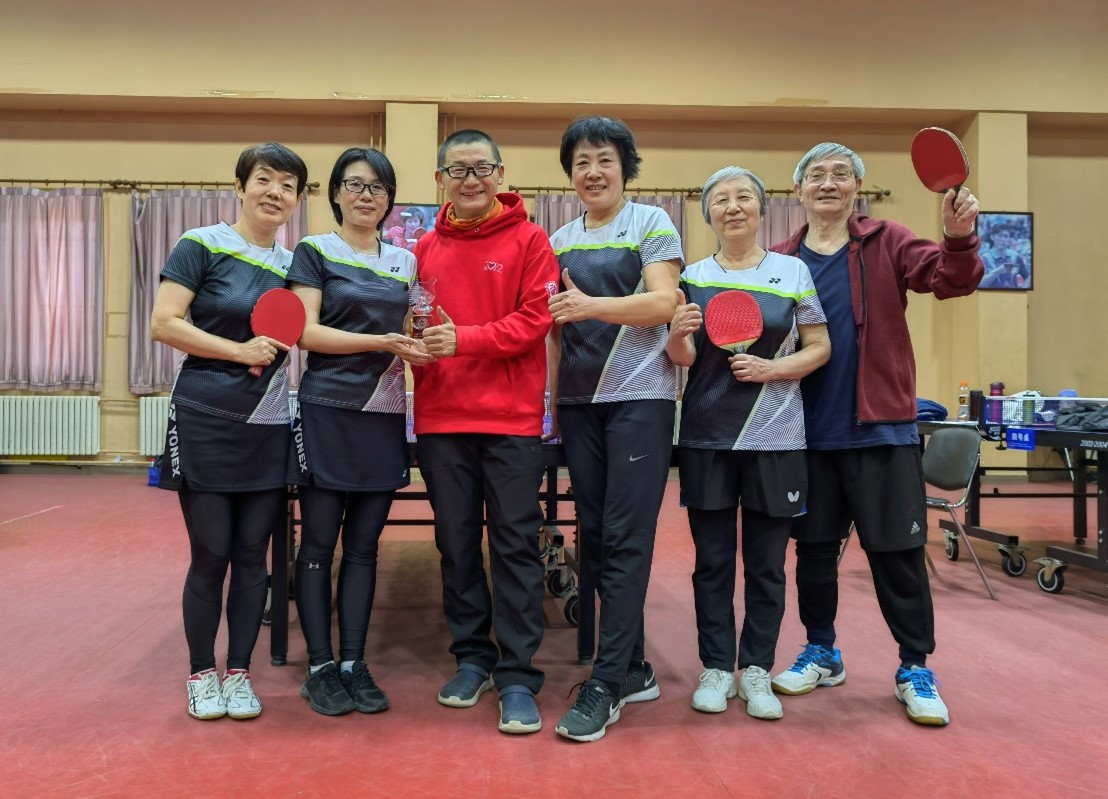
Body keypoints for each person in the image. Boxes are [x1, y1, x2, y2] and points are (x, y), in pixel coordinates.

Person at [768, 142, 982, 726]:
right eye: (816, 175)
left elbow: (950, 279)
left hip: (881, 432)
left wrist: (958, 237)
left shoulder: (888, 241)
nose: (828, 183)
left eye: (841, 174)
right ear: (799, 190)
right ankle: (821, 650)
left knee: (898, 556)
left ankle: (915, 666)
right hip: (805, 438)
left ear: (857, 188)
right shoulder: (781, 260)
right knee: (813, 554)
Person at [150, 142, 308, 721]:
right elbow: (164, 322)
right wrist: (238, 350)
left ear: (297, 199)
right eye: (264, 179)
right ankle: (201, 673)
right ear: (240, 187)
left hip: (268, 421)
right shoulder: (202, 244)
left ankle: (239, 672)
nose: (275, 192)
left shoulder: (296, 265)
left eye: (288, 185)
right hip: (205, 416)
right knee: (211, 553)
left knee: (252, 556)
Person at [666, 166, 830, 720]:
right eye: (720, 199)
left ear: (761, 209)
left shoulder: (793, 272)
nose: (732, 207)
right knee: (712, 562)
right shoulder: (691, 276)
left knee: (766, 565)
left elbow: (819, 346)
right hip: (707, 436)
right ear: (708, 213)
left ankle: (756, 667)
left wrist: (773, 369)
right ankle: (716, 666)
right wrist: (677, 335)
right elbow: (684, 359)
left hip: (777, 437)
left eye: (743, 198)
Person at [411, 129, 559, 734]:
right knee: (455, 543)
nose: (470, 180)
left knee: (515, 546)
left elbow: (535, 320)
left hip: (510, 420)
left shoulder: (531, 239)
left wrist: (463, 340)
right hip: (441, 417)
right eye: (458, 170)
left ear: (500, 174)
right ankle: (472, 657)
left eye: (481, 168)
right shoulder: (423, 247)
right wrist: (414, 343)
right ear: (440, 180)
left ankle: (518, 675)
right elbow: (418, 322)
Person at [546, 116, 682, 742]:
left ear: (625, 167)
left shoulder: (651, 222)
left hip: (639, 399)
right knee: (596, 538)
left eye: (604, 159)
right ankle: (634, 667)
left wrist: (592, 306)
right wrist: (552, 405)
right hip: (580, 405)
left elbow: (664, 303)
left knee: (626, 538)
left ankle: (605, 682)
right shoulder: (559, 239)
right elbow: (555, 333)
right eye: (581, 162)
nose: (593, 171)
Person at [287, 148, 432, 716]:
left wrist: (425, 342)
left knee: (366, 546)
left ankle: (353, 660)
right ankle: (319, 666)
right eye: (354, 184)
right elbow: (305, 333)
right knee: (319, 543)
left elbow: (413, 327)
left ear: (389, 198)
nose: (366, 195)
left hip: (384, 411)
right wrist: (380, 342)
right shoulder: (314, 251)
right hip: (327, 408)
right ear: (336, 193)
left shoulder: (405, 262)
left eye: (377, 186)